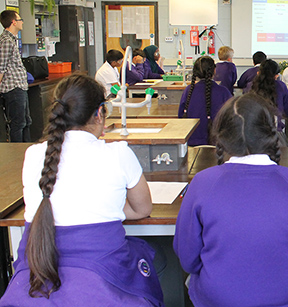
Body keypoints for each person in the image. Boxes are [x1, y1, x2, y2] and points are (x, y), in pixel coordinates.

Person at [0, 74, 163, 306]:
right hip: (102, 286)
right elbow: (143, 209)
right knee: (156, 256)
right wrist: (108, 207)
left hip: (31, 289)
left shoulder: (34, 154)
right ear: (99, 113)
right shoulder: (118, 153)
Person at [173, 93, 288, 306]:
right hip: (286, 298)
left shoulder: (202, 182)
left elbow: (188, 259)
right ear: (270, 132)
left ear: (221, 137)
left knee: (192, 282)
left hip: (219, 299)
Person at [178, 56, 233, 146]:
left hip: (191, 142)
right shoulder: (223, 92)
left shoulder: (189, 90)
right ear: (214, 70)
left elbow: (181, 116)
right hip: (217, 144)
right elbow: (231, 119)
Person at [0, 10, 30, 142]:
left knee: (26, 122)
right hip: (13, 88)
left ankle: (27, 149)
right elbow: (1, 67)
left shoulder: (12, 40)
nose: (22, 22)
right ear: (13, 22)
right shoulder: (6, 41)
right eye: (20, 19)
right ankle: (17, 153)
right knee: (18, 124)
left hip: (21, 86)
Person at [245, 59, 288, 132]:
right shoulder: (280, 86)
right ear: (276, 76)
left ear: (258, 73)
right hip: (274, 133)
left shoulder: (250, 86)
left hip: (252, 133)